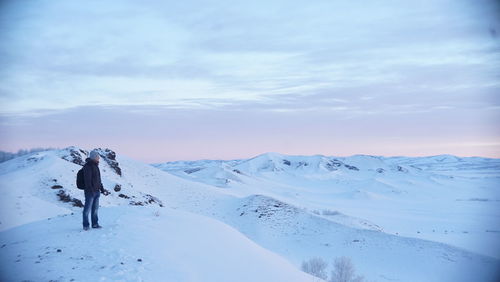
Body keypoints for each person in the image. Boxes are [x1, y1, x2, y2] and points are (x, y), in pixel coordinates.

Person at [82, 150, 103, 230]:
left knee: (95, 209)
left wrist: (101, 188)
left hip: (97, 191)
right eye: (98, 157)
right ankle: (86, 225)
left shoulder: (96, 166)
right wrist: (91, 190)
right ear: (94, 157)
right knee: (87, 210)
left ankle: (95, 224)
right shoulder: (88, 166)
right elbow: (87, 180)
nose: (99, 158)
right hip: (90, 192)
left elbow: (98, 179)